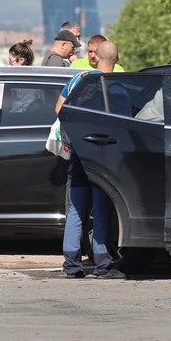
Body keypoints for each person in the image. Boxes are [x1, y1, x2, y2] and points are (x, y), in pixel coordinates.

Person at [54, 36, 125, 280]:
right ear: (117, 59)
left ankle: (72, 265)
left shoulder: (78, 80)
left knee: (76, 209)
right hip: (105, 156)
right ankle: (102, 264)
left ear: (95, 58)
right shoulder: (118, 85)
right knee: (102, 209)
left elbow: (59, 110)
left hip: (79, 153)